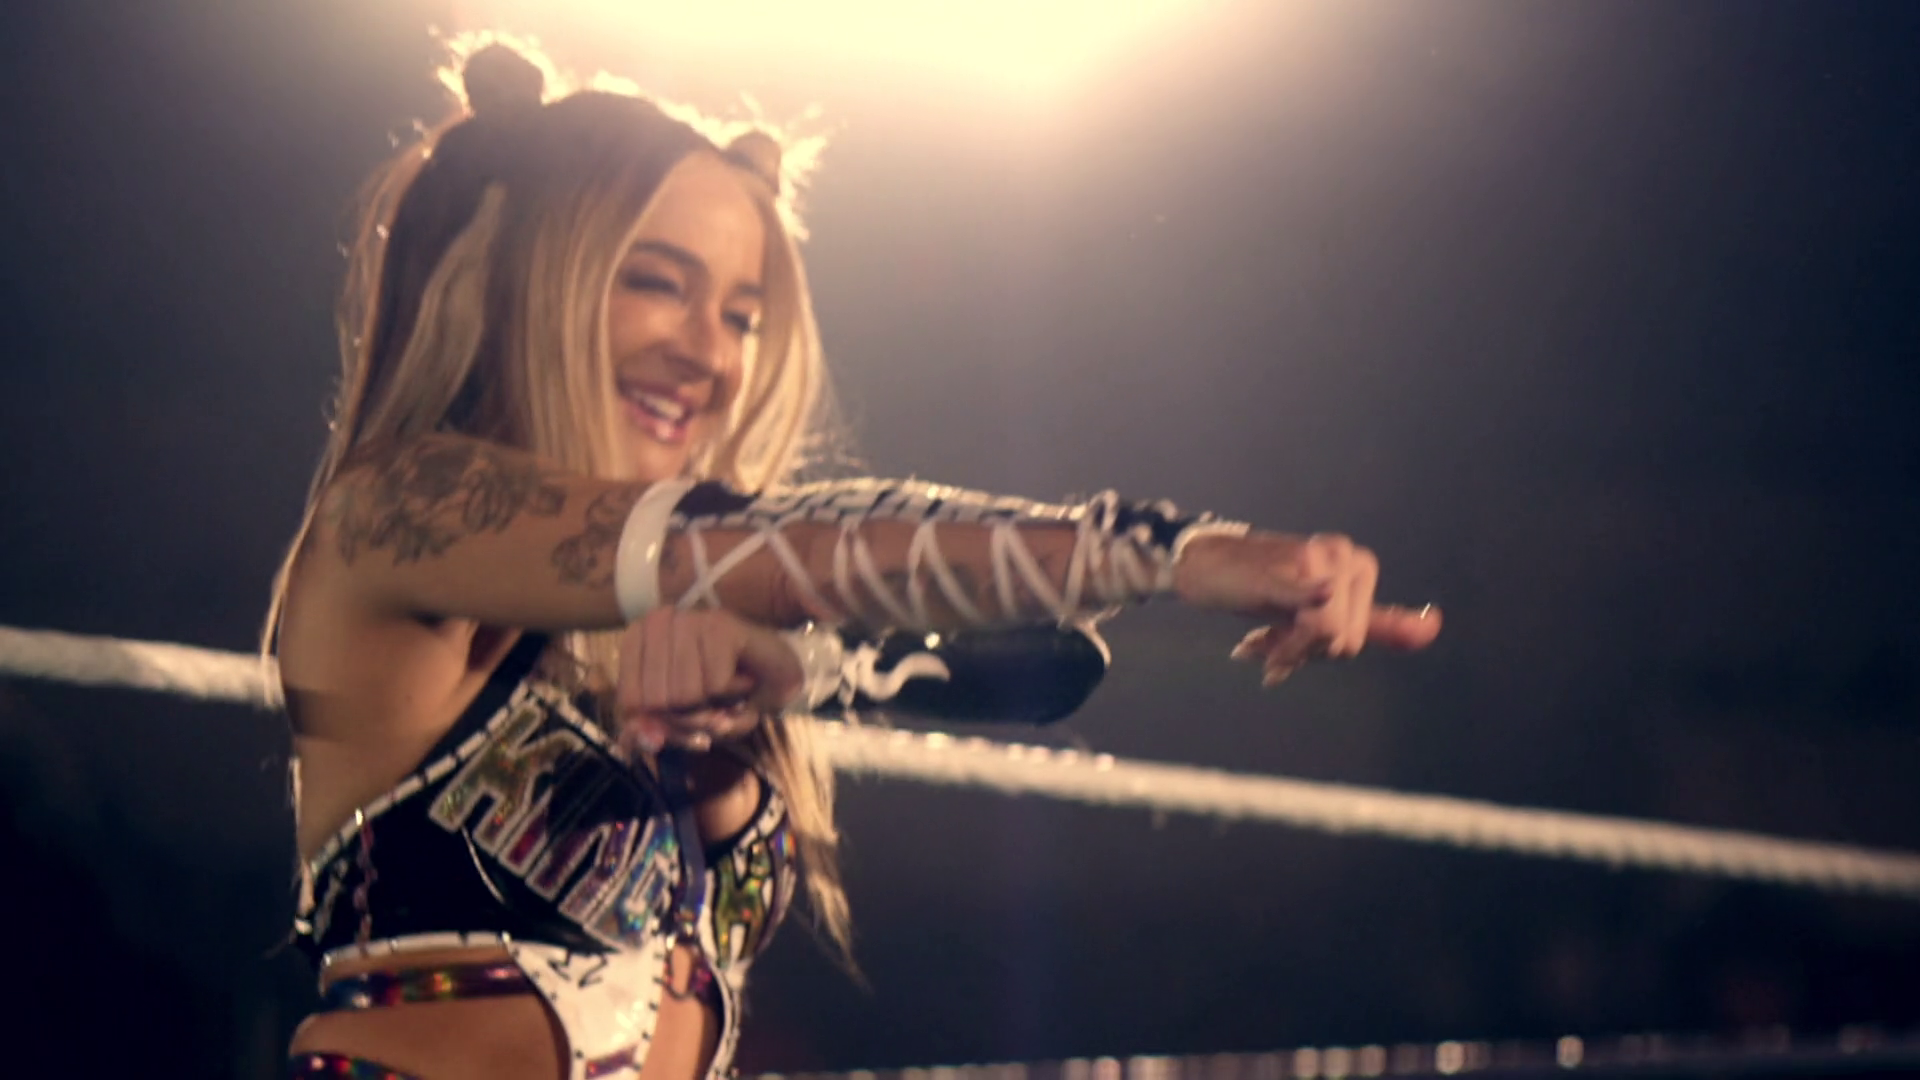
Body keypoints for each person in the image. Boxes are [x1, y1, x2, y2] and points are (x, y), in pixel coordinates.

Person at [270, 35, 1441, 1080]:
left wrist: (793, 681)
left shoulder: (688, 593)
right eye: (658, 284)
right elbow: (790, 550)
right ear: (536, 278)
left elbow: (1050, 662)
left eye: (740, 316)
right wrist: (1169, 552)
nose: (709, 354)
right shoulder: (395, 509)